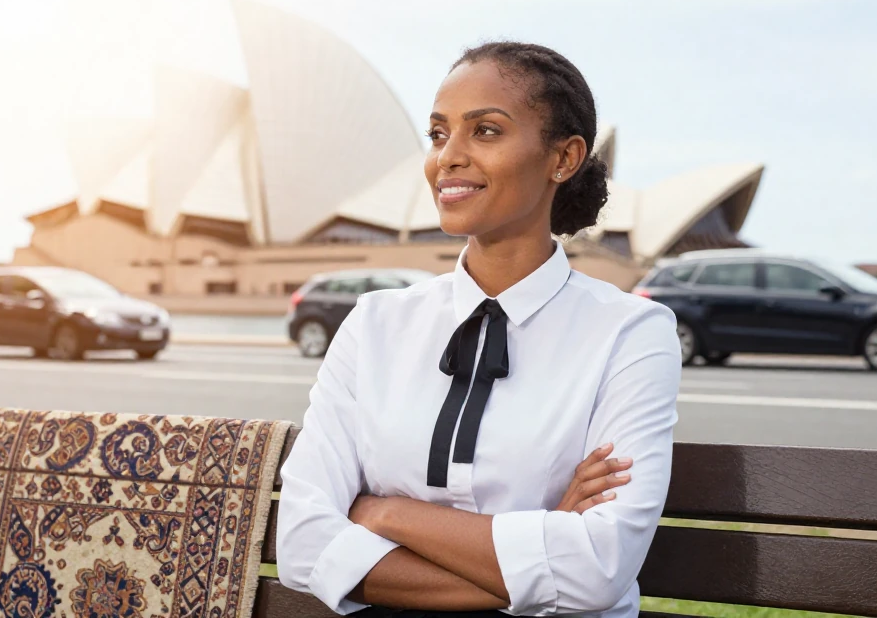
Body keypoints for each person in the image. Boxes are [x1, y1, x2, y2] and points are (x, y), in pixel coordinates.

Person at [276, 41, 681, 617]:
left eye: (485, 131)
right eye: (438, 134)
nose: (449, 157)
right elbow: (301, 545)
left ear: (563, 159)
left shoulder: (630, 333)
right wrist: (542, 543)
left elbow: (597, 569)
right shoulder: (375, 324)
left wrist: (384, 513)